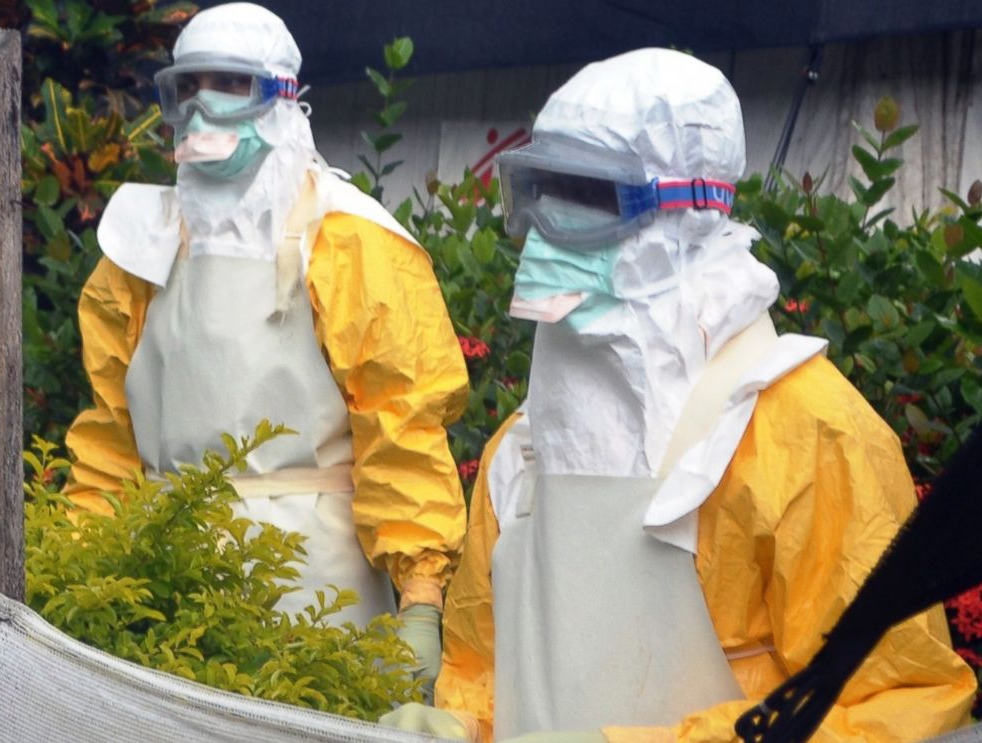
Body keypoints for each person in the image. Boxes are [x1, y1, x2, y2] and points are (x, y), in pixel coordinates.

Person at [380, 48, 975, 742]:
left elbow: (895, 702)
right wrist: (456, 720)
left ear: (690, 212)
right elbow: (485, 667)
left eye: (590, 195)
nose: (549, 231)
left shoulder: (805, 430)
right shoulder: (524, 448)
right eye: (541, 192)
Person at [63, 2, 467, 687]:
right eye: (185, 88)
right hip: (164, 577)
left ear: (283, 99)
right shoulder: (138, 246)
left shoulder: (353, 242)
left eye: (226, 84)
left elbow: (402, 429)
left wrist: (421, 597)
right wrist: (79, 567)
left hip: (319, 593)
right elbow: (109, 438)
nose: (200, 108)